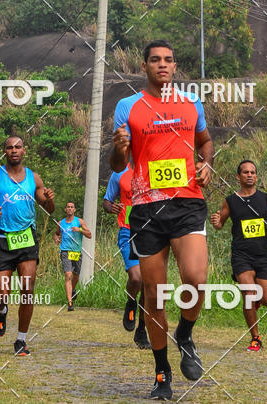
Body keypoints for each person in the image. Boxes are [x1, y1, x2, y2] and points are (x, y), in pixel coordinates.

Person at [110, 40, 214, 401]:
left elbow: (205, 141)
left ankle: (184, 333)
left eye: (168, 59)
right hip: (146, 210)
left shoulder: (191, 102)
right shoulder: (128, 107)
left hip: (187, 203)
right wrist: (118, 148)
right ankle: (162, 372)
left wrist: (206, 164)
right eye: (155, 60)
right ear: (145, 66)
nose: (162, 65)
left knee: (196, 280)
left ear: (175, 65)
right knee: (154, 296)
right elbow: (117, 165)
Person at [0, 136, 55, 356]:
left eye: (18, 147)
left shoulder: (33, 178)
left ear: (24, 151)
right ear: (5, 152)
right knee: (1, 293)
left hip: (26, 239)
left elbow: (48, 209)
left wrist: (49, 199)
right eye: (10, 147)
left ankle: (21, 340)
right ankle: (1, 310)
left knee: (27, 290)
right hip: (2, 240)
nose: (14, 150)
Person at [210, 160, 267, 352]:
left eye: (253, 172)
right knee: (249, 294)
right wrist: (216, 221)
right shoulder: (231, 201)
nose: (250, 175)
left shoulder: (265, 198)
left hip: (263, 255)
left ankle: (257, 301)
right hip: (241, 255)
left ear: (256, 176)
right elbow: (220, 224)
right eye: (246, 172)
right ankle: (255, 338)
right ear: (238, 177)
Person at [103, 166, 150, 348]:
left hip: (151, 232)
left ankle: (142, 330)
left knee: (148, 284)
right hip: (128, 232)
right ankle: (131, 301)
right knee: (136, 277)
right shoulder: (120, 173)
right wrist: (111, 207)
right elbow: (107, 201)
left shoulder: (154, 167)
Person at [53, 201, 92, 311]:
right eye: (68, 207)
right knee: (68, 275)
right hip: (65, 251)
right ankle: (70, 303)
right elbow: (56, 233)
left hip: (76, 252)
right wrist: (56, 238)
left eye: (72, 207)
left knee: (75, 277)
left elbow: (89, 235)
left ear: (74, 210)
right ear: (65, 209)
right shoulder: (61, 223)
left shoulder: (79, 221)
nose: (70, 208)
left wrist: (80, 229)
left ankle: (72, 290)